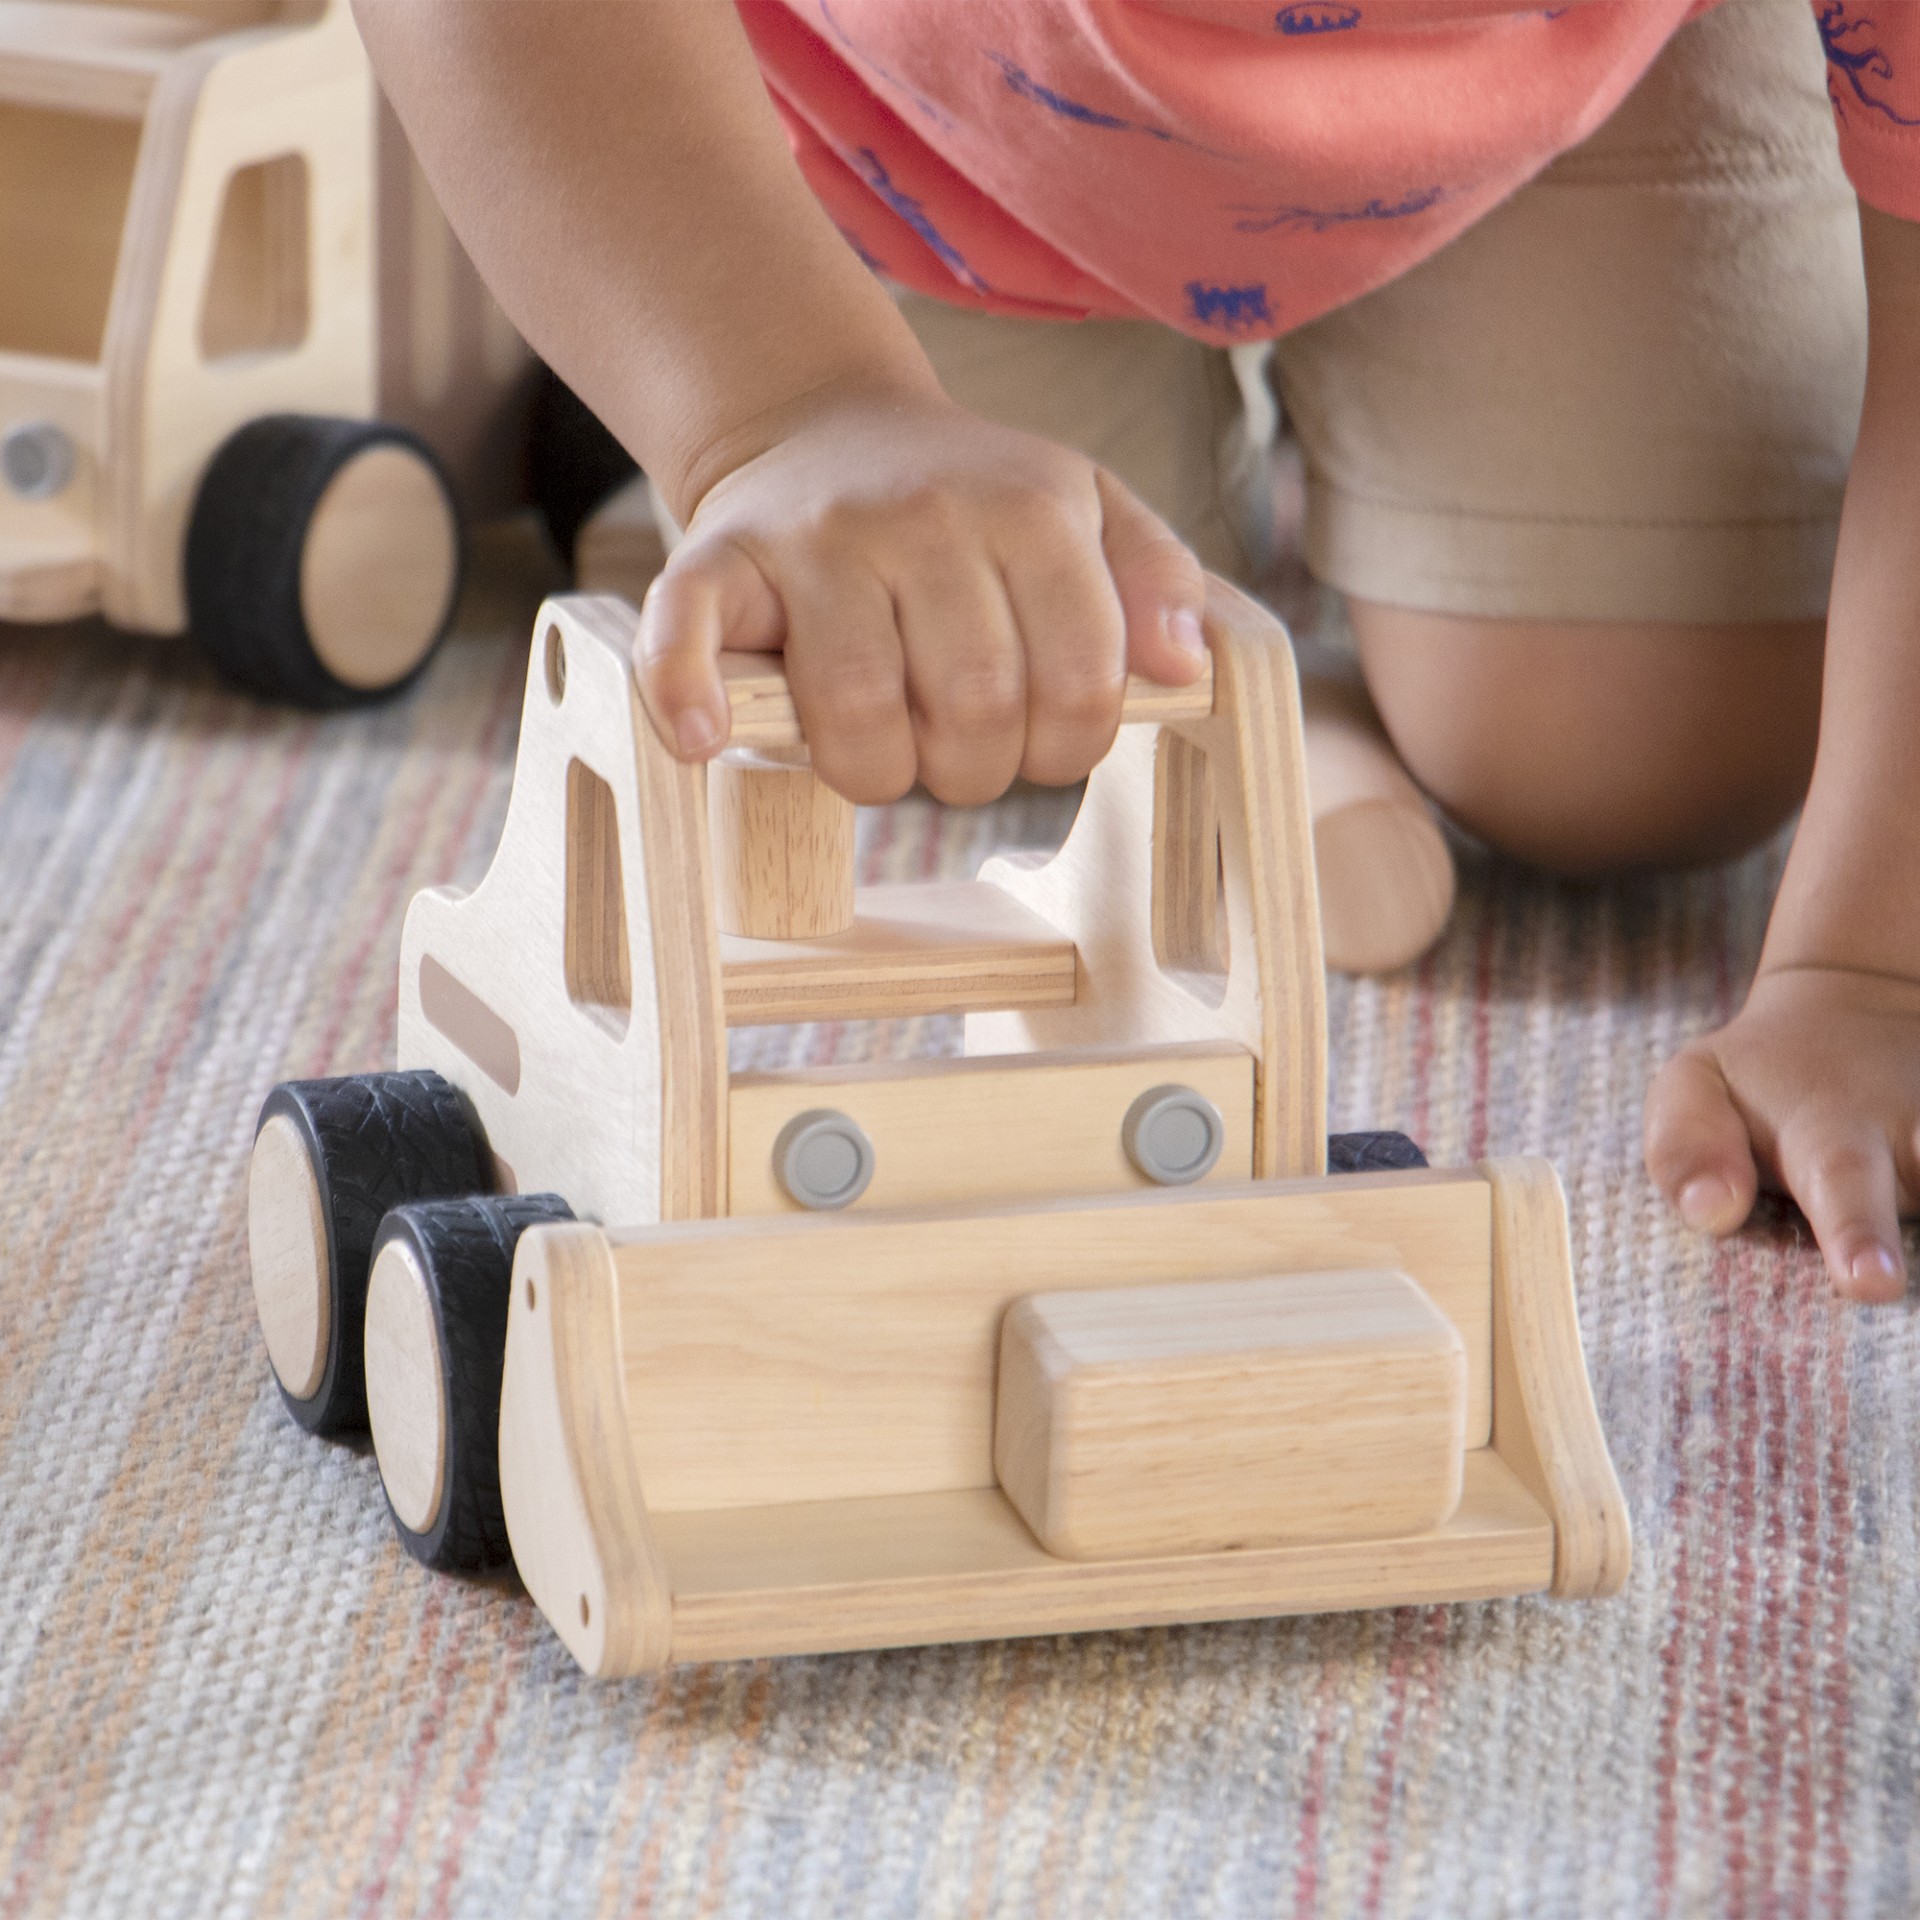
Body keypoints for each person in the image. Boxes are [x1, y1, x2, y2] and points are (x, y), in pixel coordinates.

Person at [354, 0, 1920, 1303]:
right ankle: (656, 383)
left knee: (1637, 756)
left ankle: (1263, 654)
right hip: (929, 114)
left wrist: (1871, 961)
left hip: (1547, 87)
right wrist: (776, 401)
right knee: (924, 620)